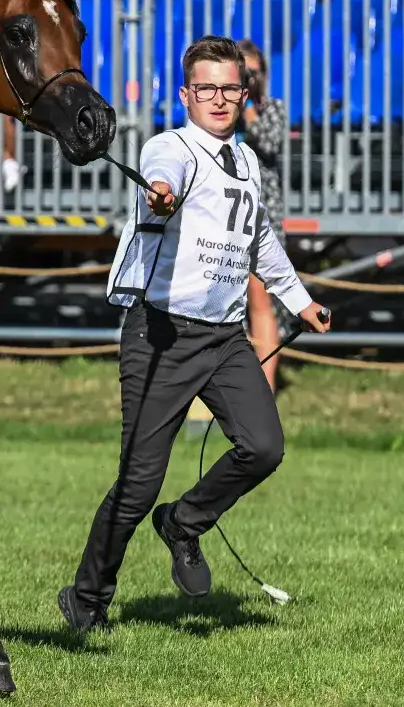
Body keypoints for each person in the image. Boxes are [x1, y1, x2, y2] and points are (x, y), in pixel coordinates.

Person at [57, 35, 330, 632]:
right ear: (186, 95)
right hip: (163, 335)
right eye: (207, 88)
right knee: (137, 484)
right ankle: (87, 597)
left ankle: (183, 522)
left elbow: (260, 240)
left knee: (263, 447)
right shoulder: (170, 148)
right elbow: (163, 177)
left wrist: (300, 301)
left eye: (230, 88)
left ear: (244, 93)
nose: (219, 98)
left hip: (226, 338)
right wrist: (162, 194)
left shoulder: (248, 162)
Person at [236, 39, 291, 393]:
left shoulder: (273, 109)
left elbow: (269, 142)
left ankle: (263, 391)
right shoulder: (221, 108)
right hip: (227, 214)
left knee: (262, 299)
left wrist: (249, 109)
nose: (249, 79)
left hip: (263, 213)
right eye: (243, 72)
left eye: (253, 73)